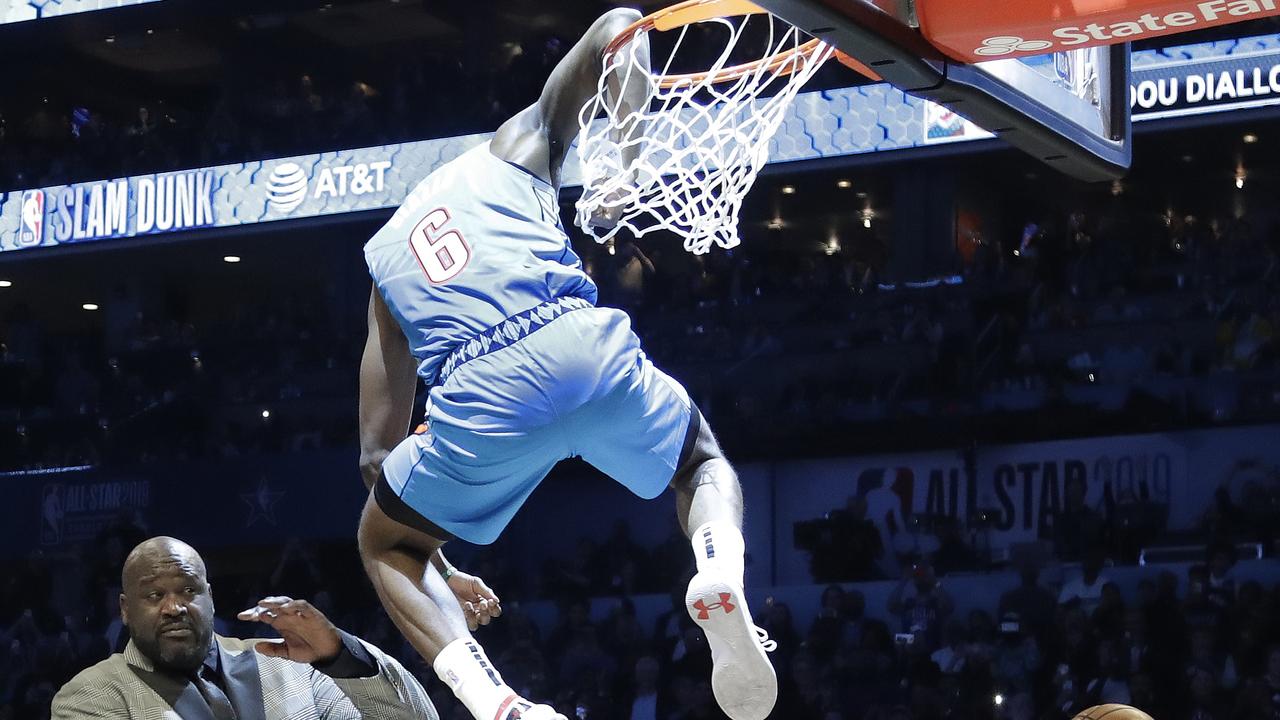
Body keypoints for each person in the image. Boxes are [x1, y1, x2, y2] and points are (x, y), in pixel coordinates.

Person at [356, 8, 773, 720]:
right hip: (579, 343)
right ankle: (716, 571)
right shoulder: (512, 146)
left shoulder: (385, 269)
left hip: (482, 392)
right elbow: (620, 24)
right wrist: (627, 159)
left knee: (384, 542)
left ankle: (495, 704)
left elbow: (375, 453)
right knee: (700, 463)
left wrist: (442, 567)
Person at [50, 536, 436, 719]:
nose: (174, 608)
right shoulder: (91, 696)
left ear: (211, 598)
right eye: (153, 595)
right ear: (125, 609)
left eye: (188, 590)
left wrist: (340, 656)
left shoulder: (288, 665)